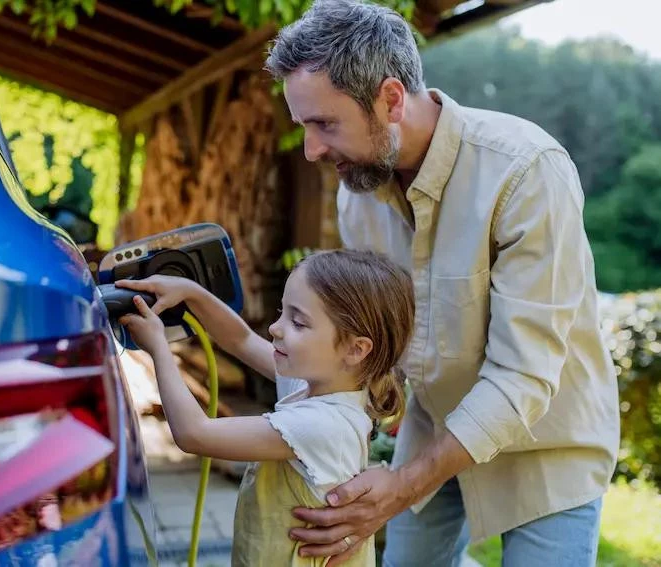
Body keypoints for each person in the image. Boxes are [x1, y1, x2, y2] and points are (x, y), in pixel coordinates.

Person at [263, 1, 621, 566]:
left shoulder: (526, 170)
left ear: (390, 99)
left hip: (548, 447)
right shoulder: (357, 192)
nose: (312, 150)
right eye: (304, 125)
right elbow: (369, 343)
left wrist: (402, 486)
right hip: (434, 434)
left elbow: (524, 374)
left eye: (325, 124)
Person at [117, 250, 415, 565]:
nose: (276, 327)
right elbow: (241, 339)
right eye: (282, 312)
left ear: (356, 349)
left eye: (298, 322)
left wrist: (158, 348)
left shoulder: (325, 424)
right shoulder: (317, 385)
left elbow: (194, 434)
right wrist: (191, 292)